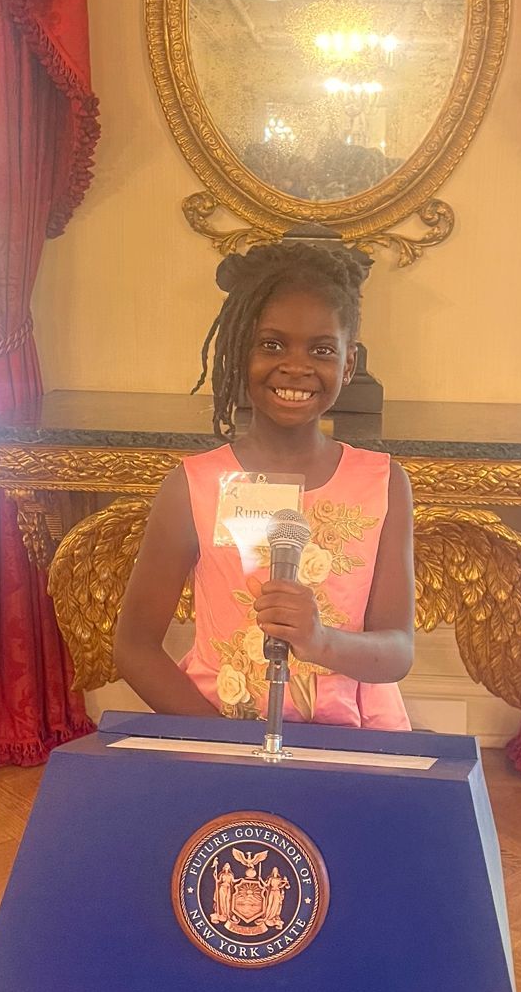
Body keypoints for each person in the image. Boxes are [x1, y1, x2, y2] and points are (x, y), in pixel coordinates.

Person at [115, 225, 414, 730]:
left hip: (349, 740)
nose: (296, 367)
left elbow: (398, 650)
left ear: (349, 364)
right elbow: (135, 647)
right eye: (272, 345)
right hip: (221, 731)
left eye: (321, 350)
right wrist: (221, 739)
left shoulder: (383, 483)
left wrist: (320, 641)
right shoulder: (194, 485)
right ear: (239, 353)